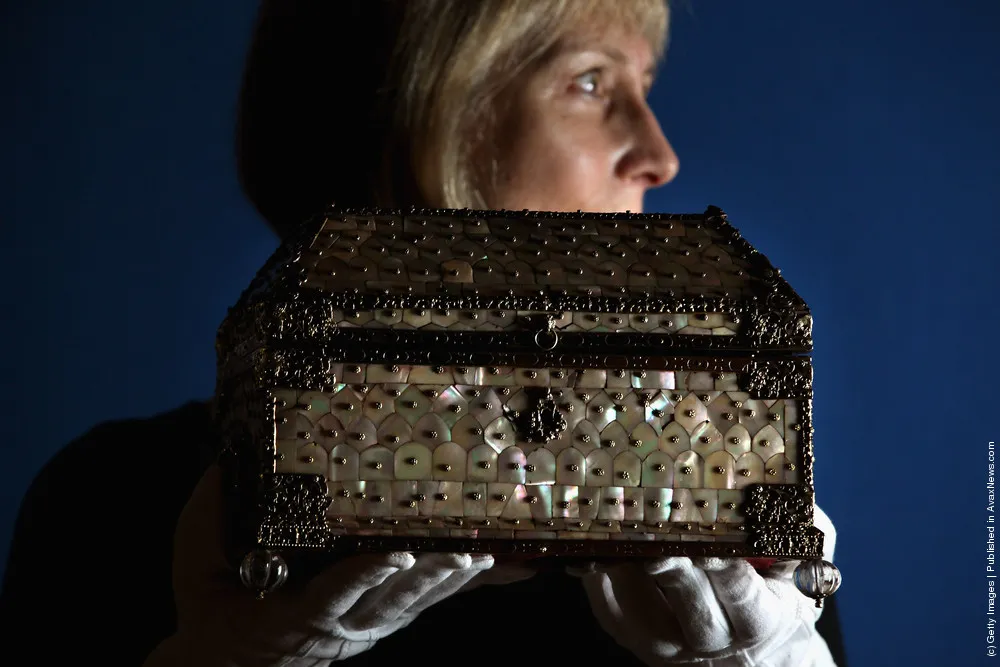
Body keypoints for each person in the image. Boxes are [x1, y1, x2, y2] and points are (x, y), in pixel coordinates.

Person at [0, 2, 847, 665]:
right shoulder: (117, 504)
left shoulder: (722, 534)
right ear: (428, 108)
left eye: (645, 86)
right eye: (590, 82)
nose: (658, 154)